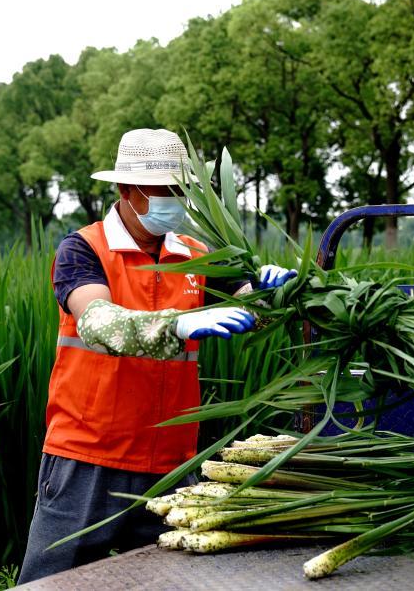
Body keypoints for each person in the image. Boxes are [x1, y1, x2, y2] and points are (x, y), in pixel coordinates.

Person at [18, 128, 297, 583]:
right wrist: (178, 325)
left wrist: (274, 296)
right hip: (88, 458)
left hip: (170, 461)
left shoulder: (196, 253)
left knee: (164, 581)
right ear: (126, 191)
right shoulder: (83, 249)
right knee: (52, 582)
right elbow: (96, 322)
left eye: (179, 191)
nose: (173, 201)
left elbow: (255, 313)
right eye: (161, 191)